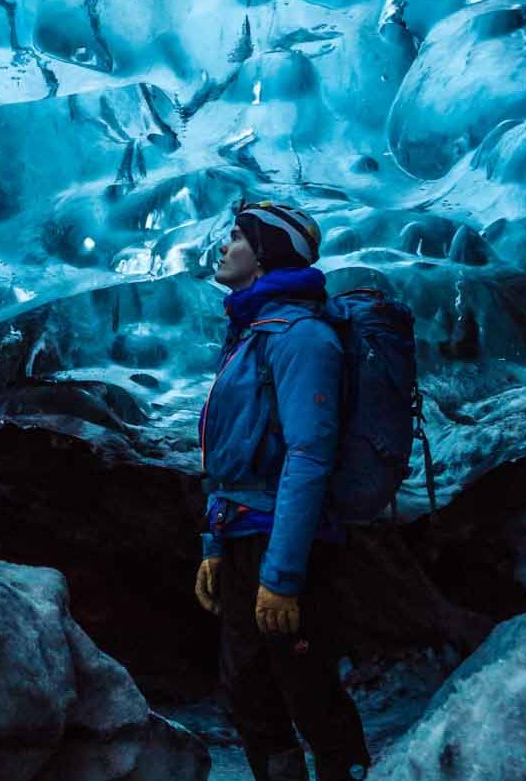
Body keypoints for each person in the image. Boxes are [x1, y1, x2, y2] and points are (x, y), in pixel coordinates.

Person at [194, 200, 371, 781]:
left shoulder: (303, 338)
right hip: (244, 535)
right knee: (247, 692)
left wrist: (283, 575)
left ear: (267, 252)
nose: (225, 247)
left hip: (286, 545)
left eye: (238, 237)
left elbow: (309, 455)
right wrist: (214, 547)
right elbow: (228, 455)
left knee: (310, 691)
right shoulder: (252, 333)